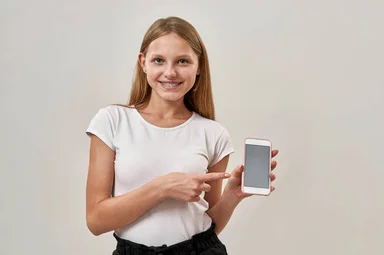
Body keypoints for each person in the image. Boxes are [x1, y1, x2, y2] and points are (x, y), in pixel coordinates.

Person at [84, 16, 279, 255]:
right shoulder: (112, 121)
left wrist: (232, 195)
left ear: (199, 67)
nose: (170, 72)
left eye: (183, 61)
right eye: (158, 60)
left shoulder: (214, 134)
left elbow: (208, 224)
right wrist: (163, 186)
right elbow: (95, 221)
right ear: (143, 63)